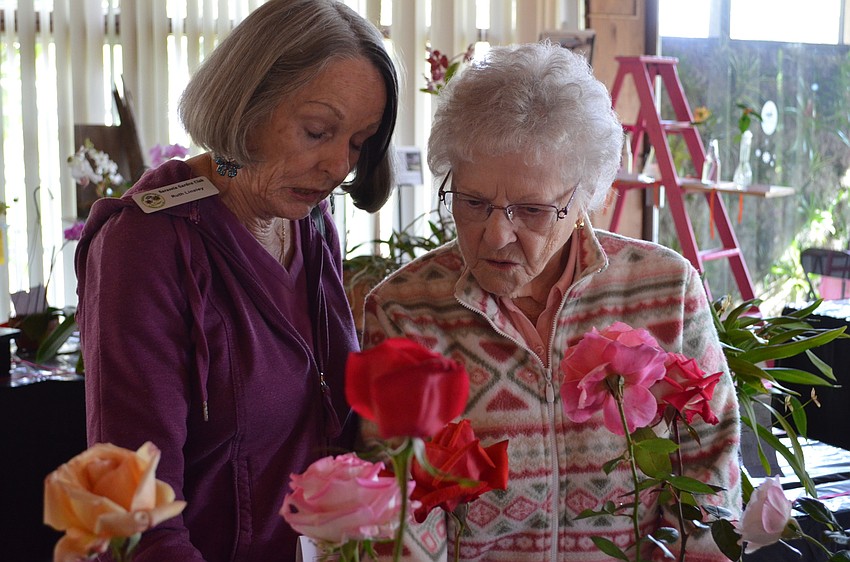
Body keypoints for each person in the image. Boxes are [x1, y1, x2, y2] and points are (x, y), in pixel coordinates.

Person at [360, 42, 740, 561]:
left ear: (584, 200)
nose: (495, 236)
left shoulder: (665, 289)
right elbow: (400, 504)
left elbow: (709, 466)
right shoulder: (404, 310)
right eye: (472, 202)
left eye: (532, 211)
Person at [75, 1, 398, 560]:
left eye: (357, 142)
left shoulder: (312, 220)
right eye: (317, 130)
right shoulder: (145, 244)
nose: (339, 167)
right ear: (248, 103)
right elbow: (132, 512)